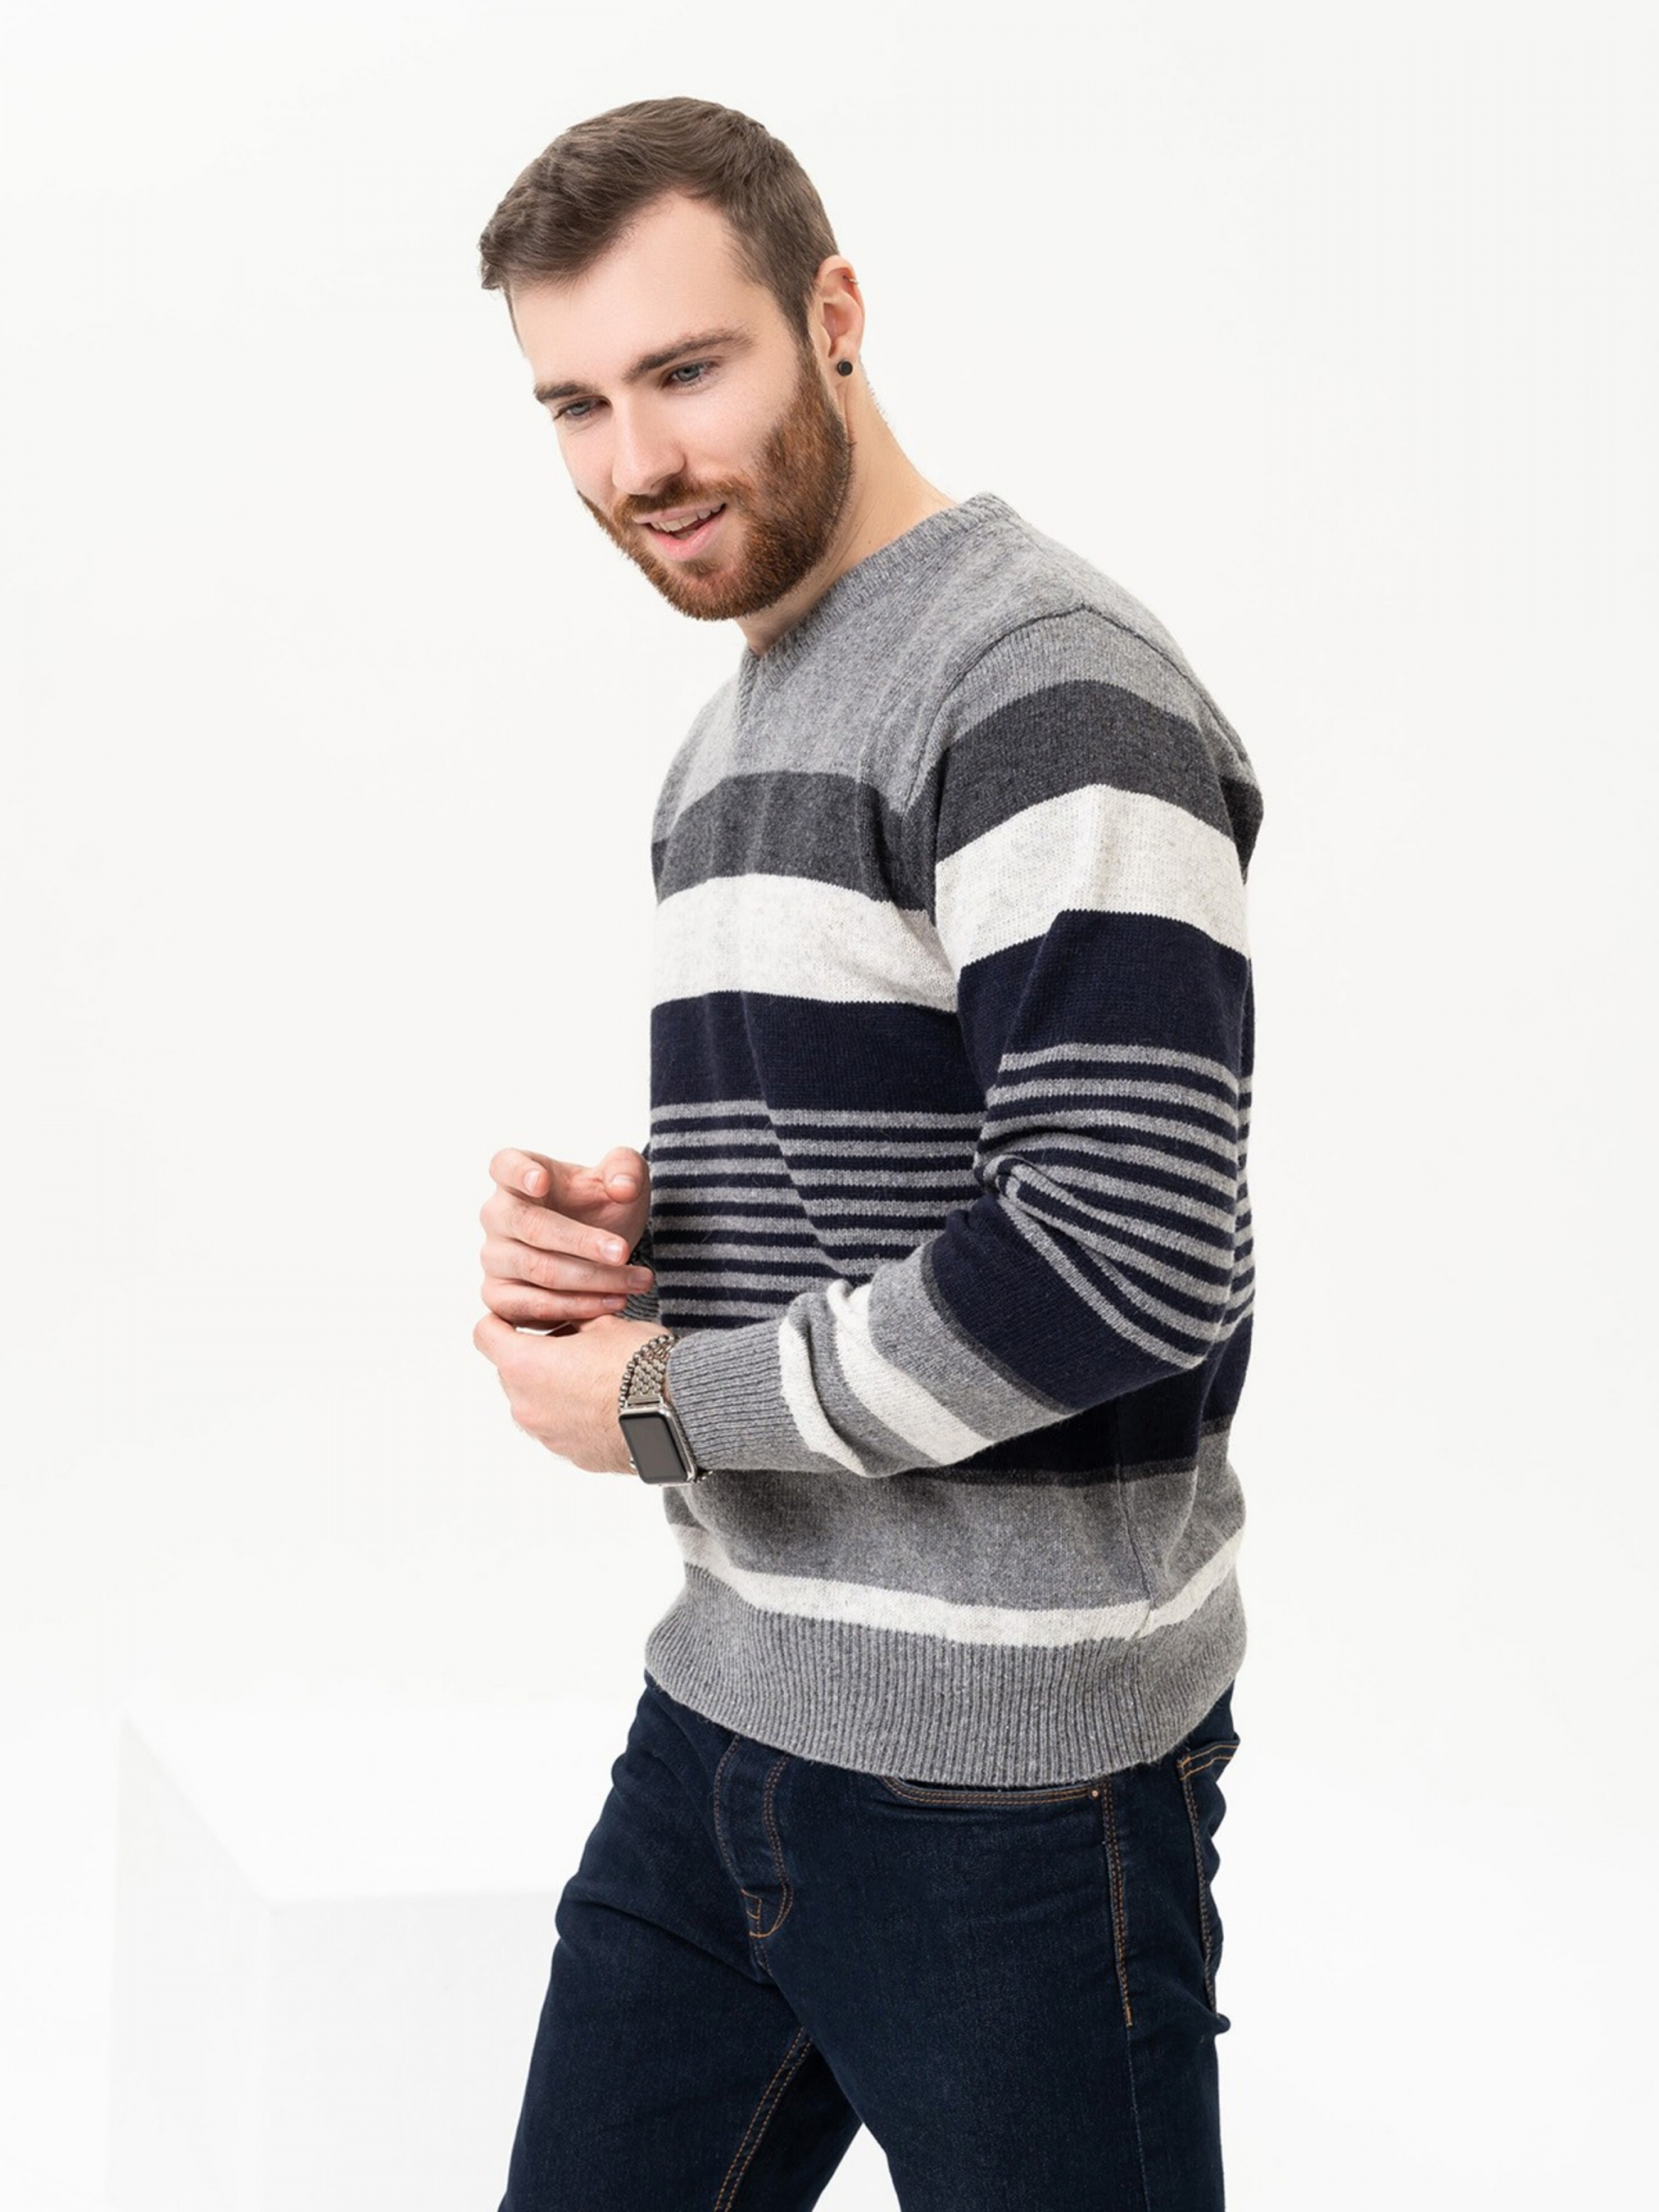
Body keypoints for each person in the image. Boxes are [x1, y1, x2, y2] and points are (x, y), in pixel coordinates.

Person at [470, 94, 1262, 2212]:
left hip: (1014, 1790)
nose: (637, 460)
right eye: (575, 405)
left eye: (685, 369)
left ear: (832, 314)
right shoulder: (723, 739)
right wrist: (644, 1243)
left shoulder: (1042, 684)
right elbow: (911, 1176)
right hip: (725, 1719)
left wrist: (658, 1397)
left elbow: (1114, 1259)